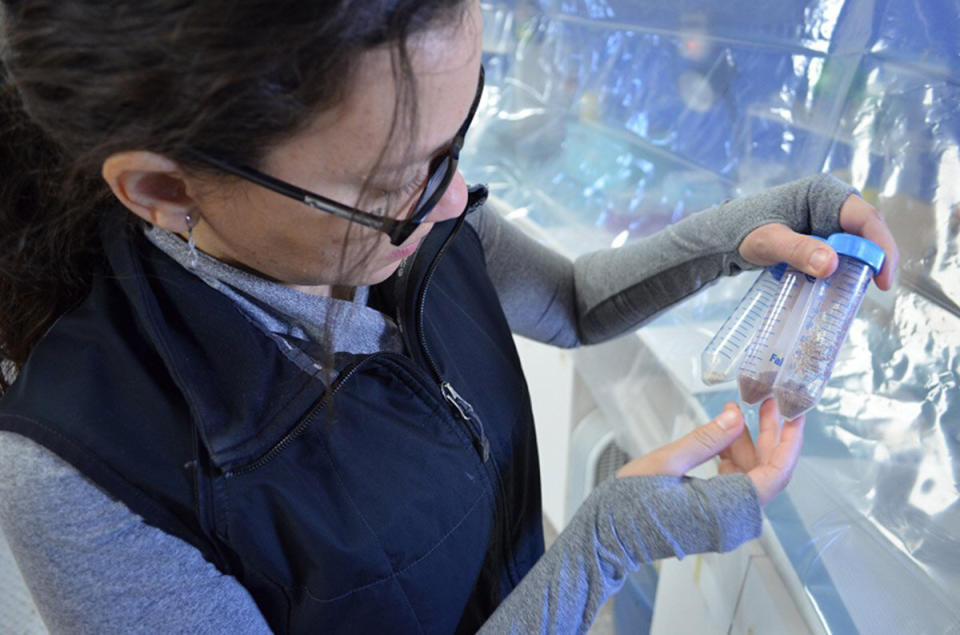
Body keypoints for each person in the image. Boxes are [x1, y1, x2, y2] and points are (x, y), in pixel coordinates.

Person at [0, 1, 899, 633]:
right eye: (400, 180)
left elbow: (576, 301)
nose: (456, 201)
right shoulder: (85, 481)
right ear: (163, 189)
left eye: (458, 138)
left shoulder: (410, 215)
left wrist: (760, 223)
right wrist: (601, 549)